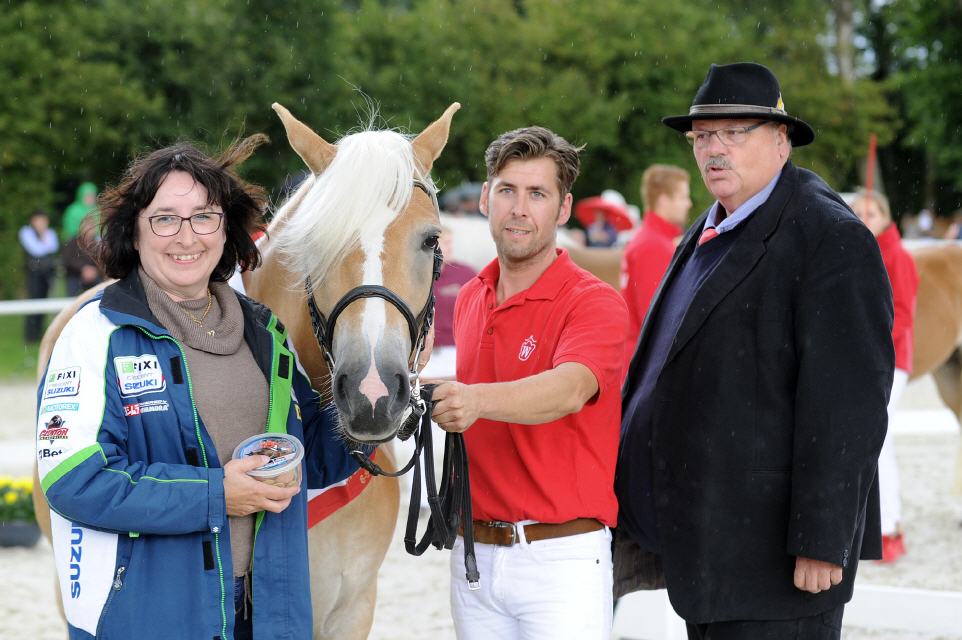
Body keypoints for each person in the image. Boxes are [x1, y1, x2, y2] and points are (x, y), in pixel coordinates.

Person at [35, 138, 360, 640]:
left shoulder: (265, 333)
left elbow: (311, 456)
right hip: (152, 619)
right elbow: (75, 481)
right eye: (165, 218)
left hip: (265, 614)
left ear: (225, 229)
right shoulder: (94, 335)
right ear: (135, 234)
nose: (187, 237)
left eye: (204, 217)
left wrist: (375, 411)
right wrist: (214, 495)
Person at [614, 62, 894, 639]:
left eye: (733, 133)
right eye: (702, 136)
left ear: (781, 138)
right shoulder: (708, 227)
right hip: (710, 553)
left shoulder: (828, 236)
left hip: (776, 568)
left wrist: (822, 540)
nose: (714, 149)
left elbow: (851, 407)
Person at [428, 126, 628, 639]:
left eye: (537, 194)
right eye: (507, 190)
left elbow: (567, 389)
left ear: (562, 210)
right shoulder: (472, 295)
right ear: (487, 199)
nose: (519, 208)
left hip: (561, 558)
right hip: (473, 554)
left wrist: (473, 400)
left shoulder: (593, 301)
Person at [852, 188, 918, 563]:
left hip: (891, 362)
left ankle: (890, 526)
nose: (865, 219)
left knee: (881, 440)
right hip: (863, 360)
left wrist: (868, 339)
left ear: (886, 216)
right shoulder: (856, 252)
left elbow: (903, 316)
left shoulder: (898, 256)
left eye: (871, 213)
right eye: (858, 213)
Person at [619, 164, 691, 367]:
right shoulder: (653, 245)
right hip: (647, 364)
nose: (688, 204)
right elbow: (657, 322)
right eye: (683, 197)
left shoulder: (651, 239)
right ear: (663, 200)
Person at [18, 208, 59, 341]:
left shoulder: (50, 232)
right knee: (34, 300)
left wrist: (43, 237)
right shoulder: (26, 232)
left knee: (45, 300)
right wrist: (42, 237)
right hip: (34, 272)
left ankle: (41, 332)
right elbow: (36, 250)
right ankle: (30, 335)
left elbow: (54, 247)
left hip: (47, 272)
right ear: (33, 221)